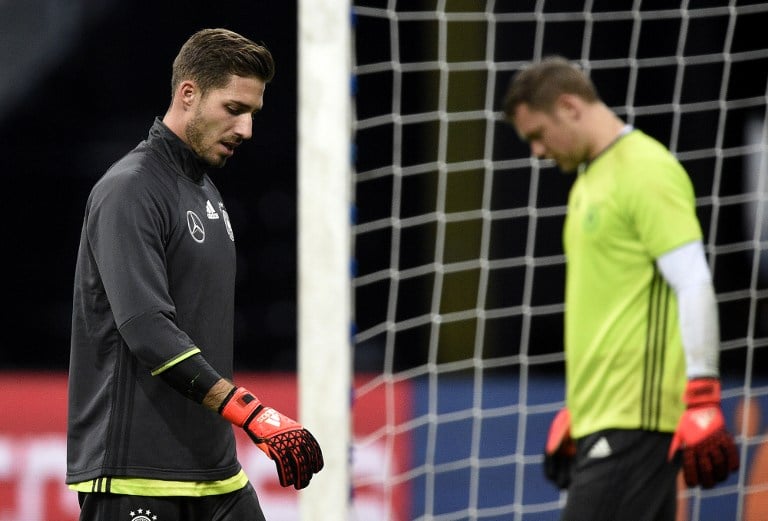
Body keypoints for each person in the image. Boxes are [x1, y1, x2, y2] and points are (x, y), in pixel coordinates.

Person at [66, 28, 323, 521]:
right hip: (136, 473)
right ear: (188, 93)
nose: (246, 129)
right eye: (234, 109)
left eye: (253, 114)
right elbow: (146, 328)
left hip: (215, 472)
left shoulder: (206, 192)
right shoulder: (130, 188)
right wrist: (252, 412)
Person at [502, 56, 739, 520]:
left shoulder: (645, 170)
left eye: (537, 135)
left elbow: (692, 280)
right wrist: (581, 410)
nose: (537, 151)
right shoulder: (590, 180)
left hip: (636, 420)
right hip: (605, 418)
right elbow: (610, 306)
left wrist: (703, 392)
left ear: (569, 107)